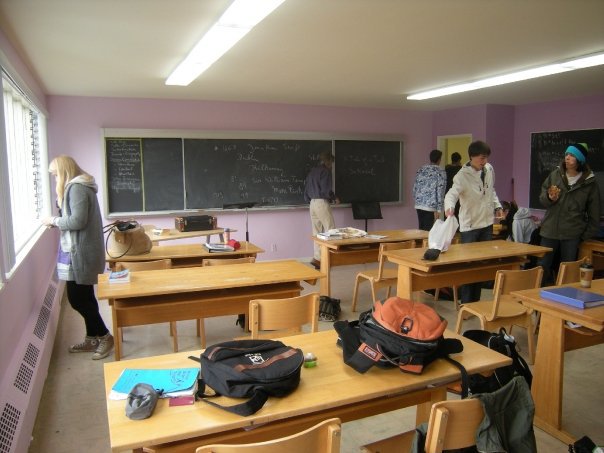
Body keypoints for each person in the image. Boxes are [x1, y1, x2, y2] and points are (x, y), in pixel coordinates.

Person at [42, 155, 114, 360]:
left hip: (81, 253)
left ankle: (105, 336)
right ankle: (92, 338)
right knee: (86, 297)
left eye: (56, 174)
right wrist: (57, 221)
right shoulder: (78, 187)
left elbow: (77, 221)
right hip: (79, 250)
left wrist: (54, 220)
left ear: (63, 171)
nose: (55, 179)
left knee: (76, 299)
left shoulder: (77, 188)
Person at [444, 140, 503, 303]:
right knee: (469, 266)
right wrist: (449, 207)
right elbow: (451, 194)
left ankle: (476, 303)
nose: (484, 161)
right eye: (481, 158)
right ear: (472, 157)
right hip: (470, 226)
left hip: (486, 223)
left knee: (482, 266)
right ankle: (466, 303)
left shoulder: (489, 169)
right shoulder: (462, 176)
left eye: (486, 158)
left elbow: (491, 190)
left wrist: (497, 206)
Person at [538, 143, 600, 285]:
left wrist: (584, 235)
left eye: (572, 155)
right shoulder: (555, 174)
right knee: (542, 266)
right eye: (566, 154)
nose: (567, 157)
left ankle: (564, 295)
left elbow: (595, 213)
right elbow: (542, 198)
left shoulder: (589, 182)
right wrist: (549, 198)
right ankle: (537, 294)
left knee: (568, 268)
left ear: (580, 160)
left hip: (572, 233)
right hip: (550, 230)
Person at [304, 149, 339, 269]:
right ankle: (329, 258)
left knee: (317, 233)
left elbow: (306, 190)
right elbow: (326, 190)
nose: (331, 165)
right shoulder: (325, 172)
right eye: (331, 162)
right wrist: (334, 198)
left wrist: (311, 201)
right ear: (328, 161)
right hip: (321, 202)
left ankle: (318, 259)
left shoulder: (312, 171)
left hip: (312, 203)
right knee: (331, 230)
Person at [412, 149, 446, 231]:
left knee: (421, 229)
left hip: (419, 204)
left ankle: (420, 240)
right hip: (430, 206)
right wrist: (439, 209)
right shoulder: (440, 171)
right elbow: (440, 191)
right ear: (439, 159)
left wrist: (416, 199)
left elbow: (415, 186)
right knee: (428, 231)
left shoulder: (421, 169)